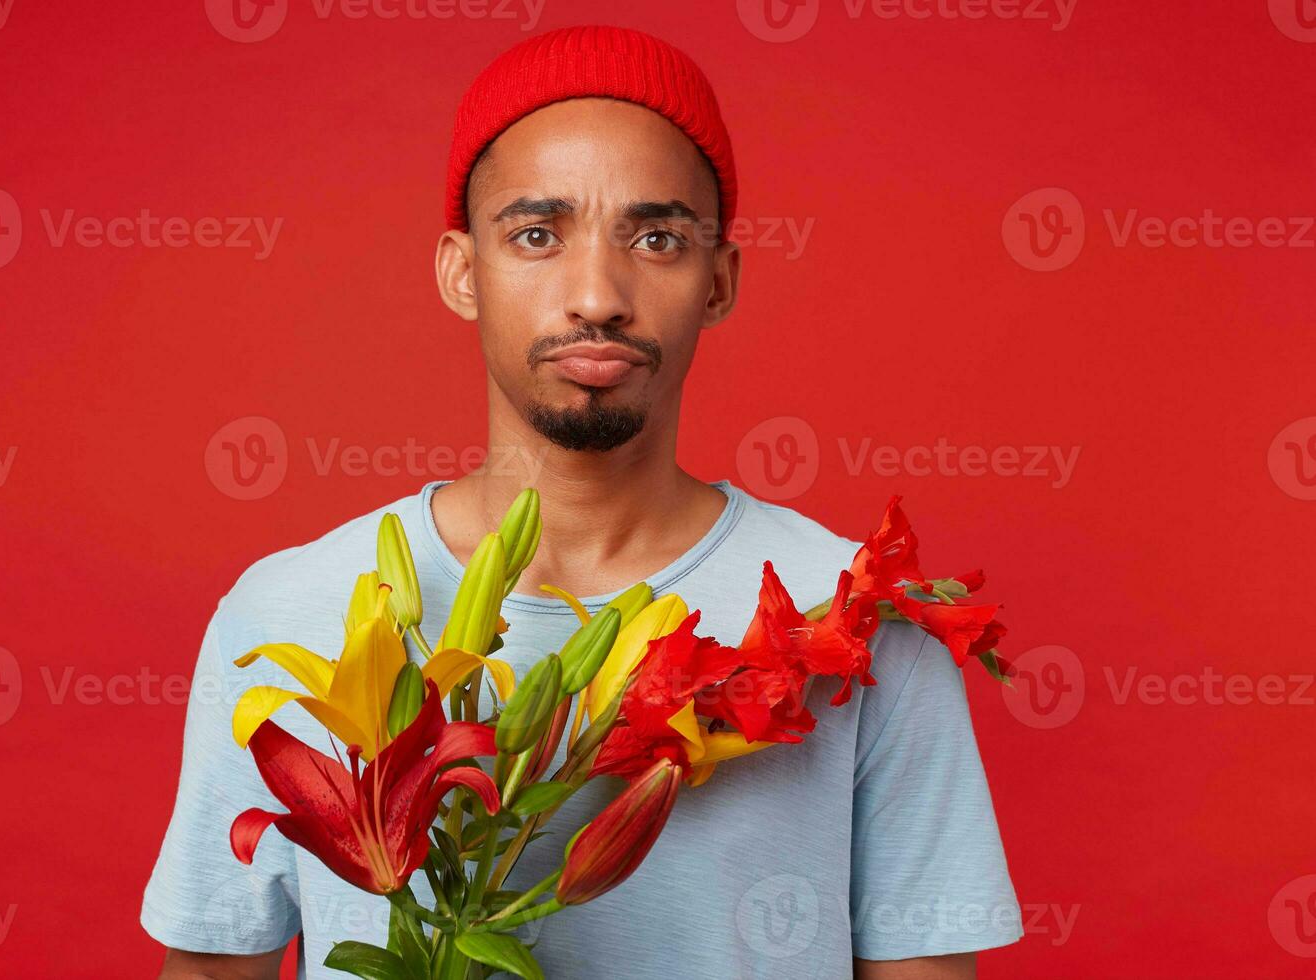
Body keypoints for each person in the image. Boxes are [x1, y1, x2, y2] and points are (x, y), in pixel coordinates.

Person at [142, 24, 1021, 980]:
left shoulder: (856, 621)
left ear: (718, 281)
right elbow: (209, 964)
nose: (597, 295)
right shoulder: (287, 608)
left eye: (656, 238)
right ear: (460, 271)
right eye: (536, 235)